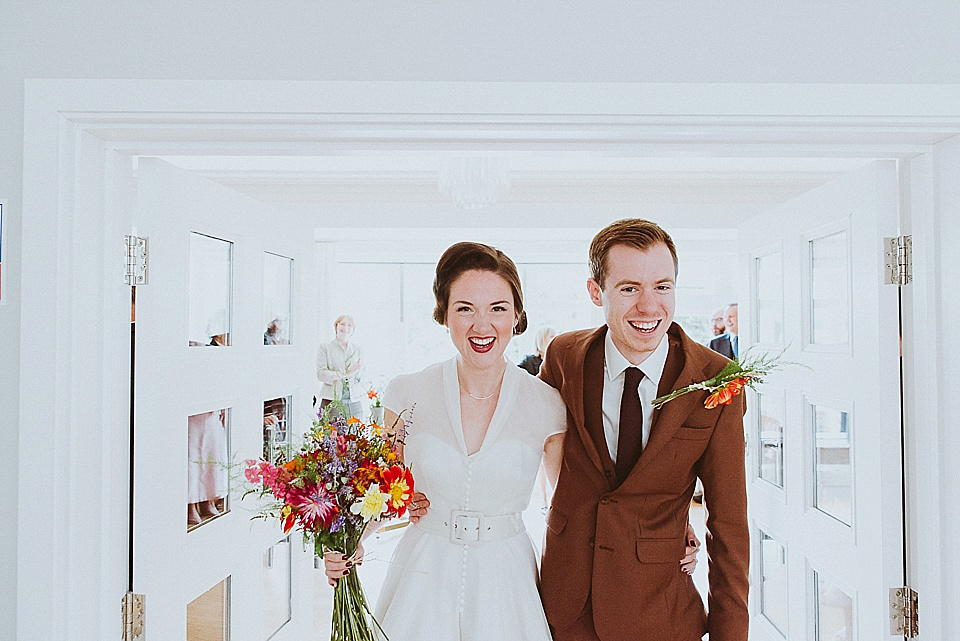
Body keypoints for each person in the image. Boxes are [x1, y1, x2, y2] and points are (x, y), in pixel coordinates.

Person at [323, 242, 699, 640]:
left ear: (517, 315)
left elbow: (579, 502)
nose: (481, 326)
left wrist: (676, 523)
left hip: (507, 584)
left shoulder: (547, 404)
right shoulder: (406, 393)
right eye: (465, 308)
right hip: (421, 576)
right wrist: (349, 543)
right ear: (444, 314)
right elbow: (378, 496)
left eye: (498, 309)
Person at [538, 219, 748, 641]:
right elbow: (525, 441)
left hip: (660, 611)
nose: (649, 307)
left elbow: (729, 524)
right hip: (563, 604)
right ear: (596, 292)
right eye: (630, 288)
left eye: (662, 287)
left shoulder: (717, 378)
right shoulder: (564, 357)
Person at [316, 314, 364, 418]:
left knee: (356, 432)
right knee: (329, 433)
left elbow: (361, 376)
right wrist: (346, 372)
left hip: (354, 400)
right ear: (336, 326)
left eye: (349, 325)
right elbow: (321, 374)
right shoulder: (325, 348)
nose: (346, 327)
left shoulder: (357, 349)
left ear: (353, 329)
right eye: (342, 324)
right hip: (331, 399)